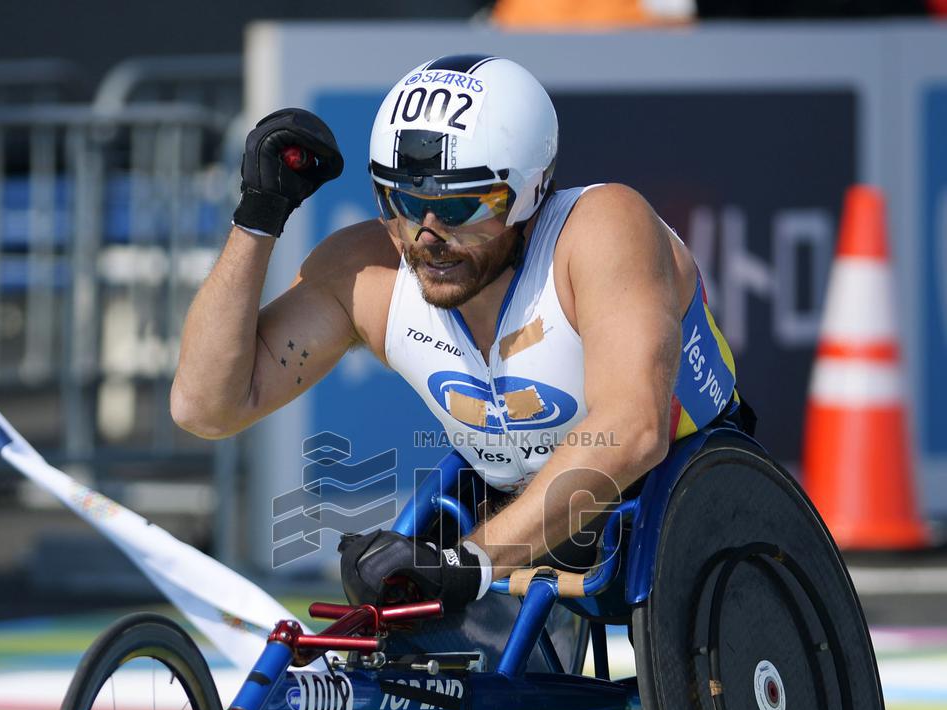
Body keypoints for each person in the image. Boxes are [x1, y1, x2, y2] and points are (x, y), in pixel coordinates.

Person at [171, 54, 741, 614]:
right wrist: (257, 218)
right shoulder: (365, 273)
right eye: (405, 201)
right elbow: (205, 407)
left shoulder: (603, 229)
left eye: (460, 205)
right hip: (499, 504)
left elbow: (634, 431)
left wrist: (469, 561)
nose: (426, 235)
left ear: (530, 192)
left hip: (679, 502)